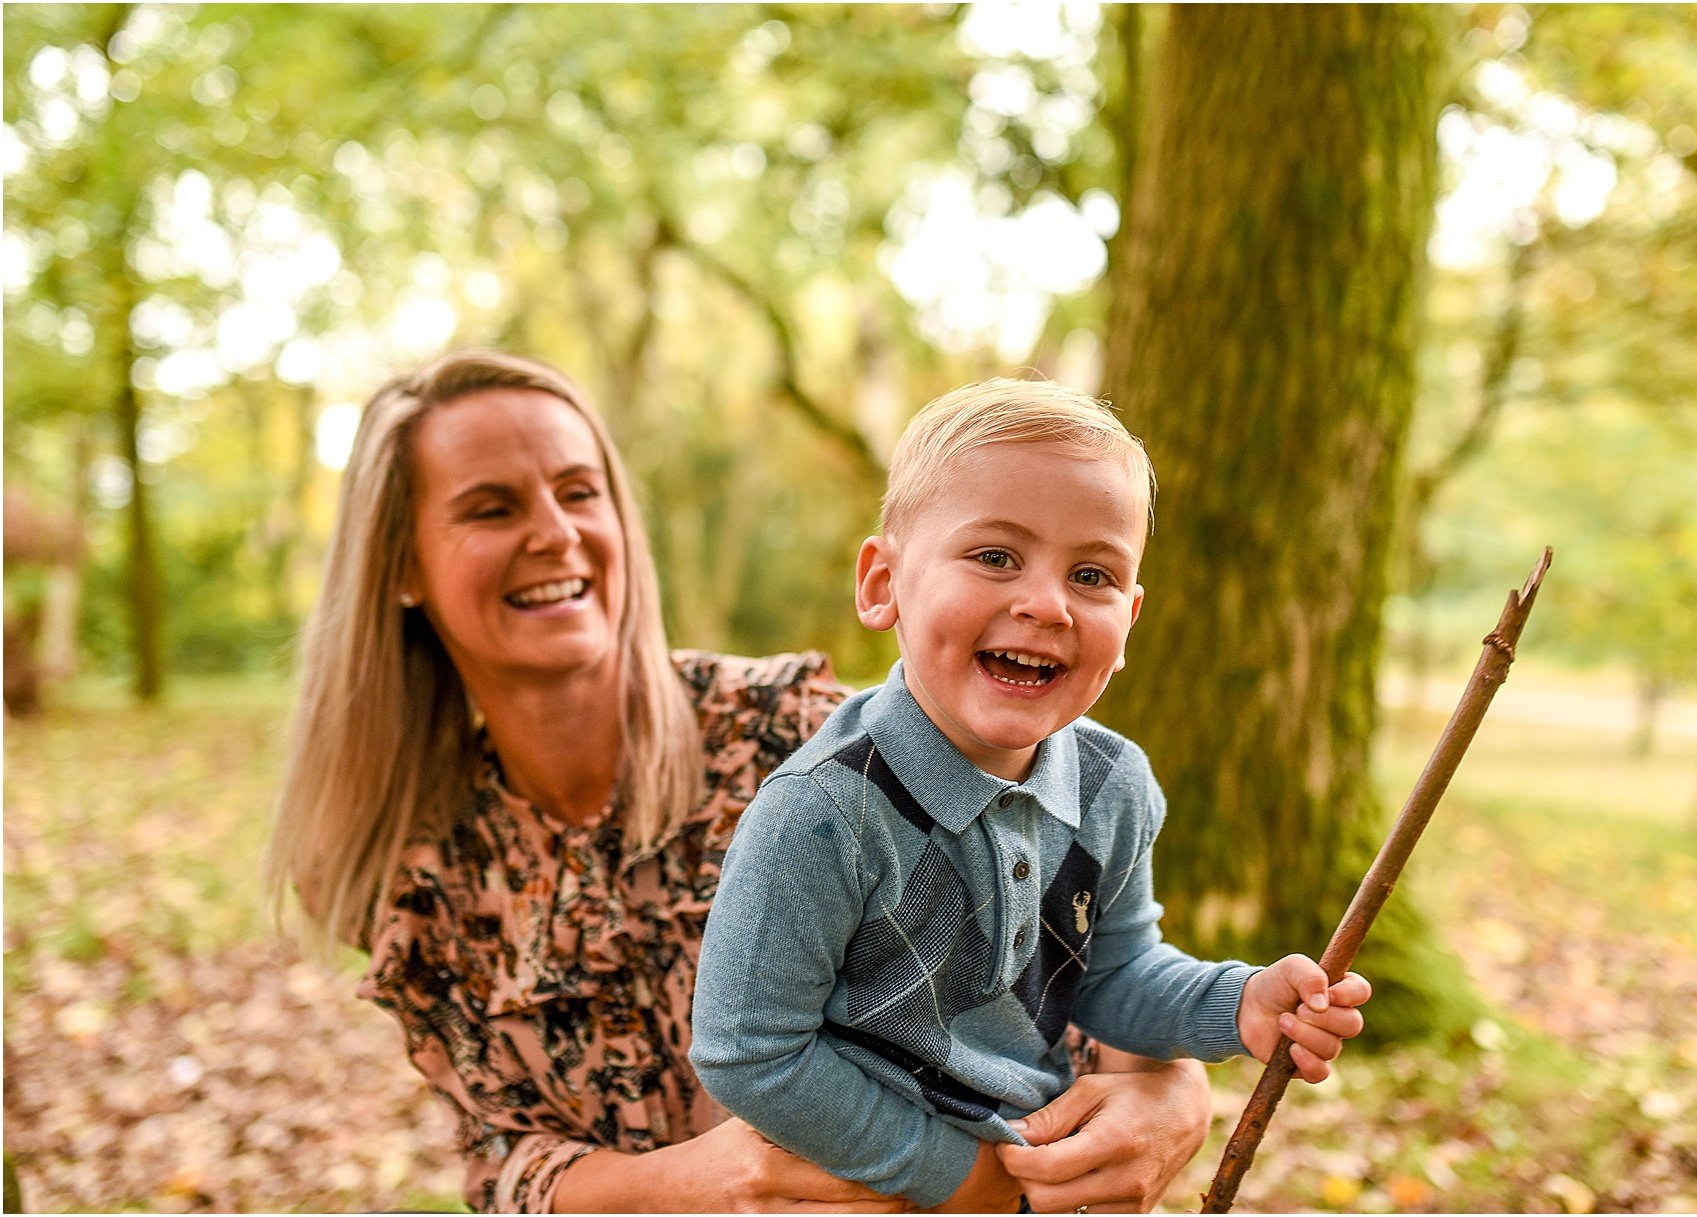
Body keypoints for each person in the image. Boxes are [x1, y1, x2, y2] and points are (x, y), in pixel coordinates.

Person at [267, 351, 1231, 1214]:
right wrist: (703, 1184)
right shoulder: (420, 872)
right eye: (492, 507)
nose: (555, 533)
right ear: (400, 565)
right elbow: (502, 1163)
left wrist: (1171, 1092)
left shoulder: (794, 728)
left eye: (579, 491)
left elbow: (1049, 935)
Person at [690, 379, 1372, 1210]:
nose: (1046, 604)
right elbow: (747, 1051)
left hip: (1031, 1180)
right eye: (995, 556)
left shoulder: (1112, 785)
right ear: (883, 583)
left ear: (1131, 620)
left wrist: (1239, 1002)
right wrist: (955, 1178)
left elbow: (1113, 977)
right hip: (855, 1187)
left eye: (1092, 574)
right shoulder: (826, 812)